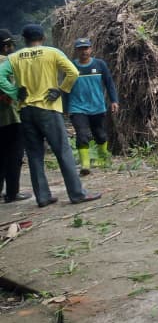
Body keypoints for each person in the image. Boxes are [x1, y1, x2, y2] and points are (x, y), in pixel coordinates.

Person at [0, 25, 100, 207]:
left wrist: (14, 93)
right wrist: (61, 90)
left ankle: (43, 197)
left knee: (35, 155)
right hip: (48, 107)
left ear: (24, 39)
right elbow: (73, 72)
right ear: (43, 37)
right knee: (63, 151)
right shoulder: (52, 52)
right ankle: (77, 194)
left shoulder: (14, 58)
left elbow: (0, 76)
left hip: (26, 110)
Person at [67, 37, 119, 176]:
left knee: (100, 134)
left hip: (97, 106)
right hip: (77, 107)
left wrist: (114, 101)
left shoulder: (100, 64)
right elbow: (65, 88)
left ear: (91, 49)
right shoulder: (71, 66)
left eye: (86, 48)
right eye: (80, 48)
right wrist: (65, 107)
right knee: (82, 135)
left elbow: (109, 83)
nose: (84, 51)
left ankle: (103, 159)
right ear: (76, 50)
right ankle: (85, 165)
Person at [0, 29, 28, 203]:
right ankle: (12, 193)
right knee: (14, 155)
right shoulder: (7, 62)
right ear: (5, 46)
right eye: (10, 45)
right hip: (9, 117)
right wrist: (14, 94)